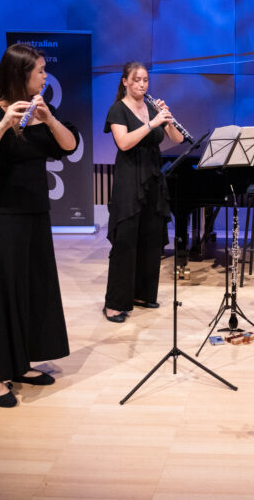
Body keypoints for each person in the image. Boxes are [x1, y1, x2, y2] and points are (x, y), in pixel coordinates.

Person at [0, 44, 79, 408]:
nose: (44, 76)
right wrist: (4, 123)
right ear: (20, 74)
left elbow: (69, 144)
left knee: (33, 290)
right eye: (39, 71)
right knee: (1, 293)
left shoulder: (42, 109)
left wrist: (49, 118)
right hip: (3, 216)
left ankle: (20, 363)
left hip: (36, 214)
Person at [102, 62, 184, 322]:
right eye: (136, 80)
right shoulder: (118, 109)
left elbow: (178, 139)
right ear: (124, 81)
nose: (142, 84)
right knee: (125, 241)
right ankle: (114, 304)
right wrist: (151, 124)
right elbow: (124, 143)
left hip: (152, 180)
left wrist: (167, 119)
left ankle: (142, 294)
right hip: (129, 181)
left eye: (145, 80)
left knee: (150, 239)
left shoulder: (152, 107)